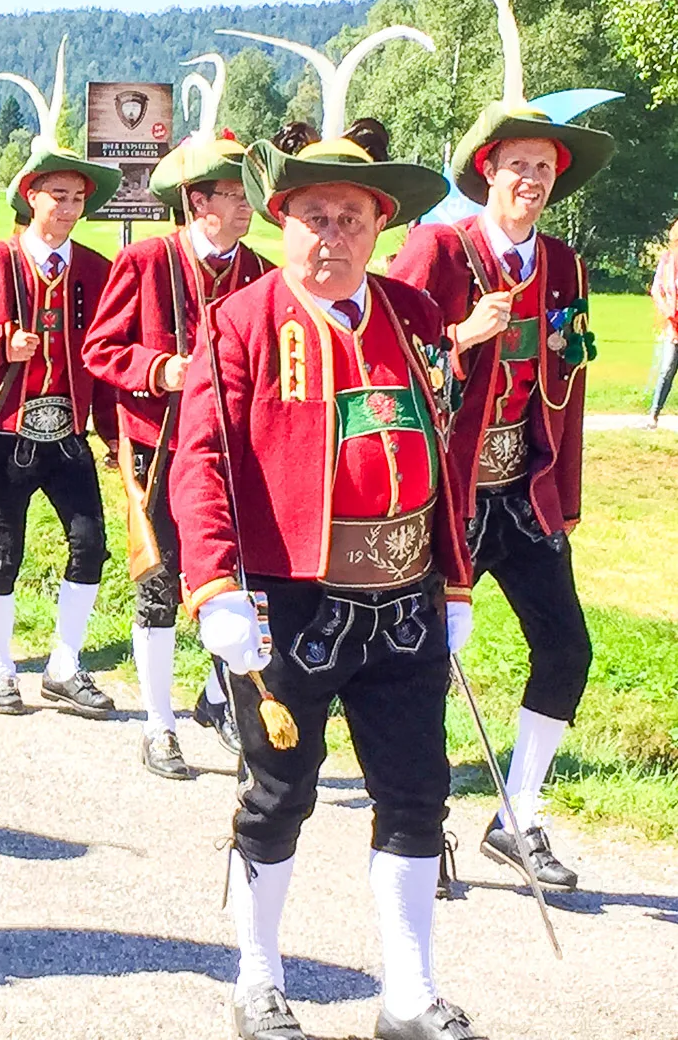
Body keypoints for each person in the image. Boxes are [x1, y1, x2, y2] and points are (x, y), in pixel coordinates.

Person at [175, 109, 484, 1040]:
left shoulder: (413, 313)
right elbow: (200, 462)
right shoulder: (241, 320)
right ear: (282, 222)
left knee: (417, 791)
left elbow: (446, 451)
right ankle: (258, 980)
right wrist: (218, 585)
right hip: (289, 601)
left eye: (351, 216)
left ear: (379, 224)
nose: (333, 235)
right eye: (314, 215)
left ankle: (407, 994)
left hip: (403, 598)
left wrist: (456, 576)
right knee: (278, 793)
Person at [392, 0, 614, 892]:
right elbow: (388, 370)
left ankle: (516, 818)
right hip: (443, 491)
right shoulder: (440, 250)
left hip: (521, 490)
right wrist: (457, 336)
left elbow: (570, 376)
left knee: (567, 648)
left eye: (544, 168)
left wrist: (560, 495)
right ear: (487, 171)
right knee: (426, 662)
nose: (530, 181)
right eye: (516, 165)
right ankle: (417, 824)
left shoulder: (563, 262)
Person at [83, 55, 269, 777]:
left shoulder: (259, 271)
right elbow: (101, 349)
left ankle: (223, 699)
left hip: (235, 453)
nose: (248, 206)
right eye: (234, 193)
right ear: (198, 203)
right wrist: (162, 370)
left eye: (250, 193)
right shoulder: (145, 264)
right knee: (159, 589)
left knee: (238, 583)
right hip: (156, 449)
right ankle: (158, 725)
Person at [0, 38, 121, 718]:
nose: (69, 207)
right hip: (7, 433)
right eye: (57, 195)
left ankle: (65, 666)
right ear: (30, 197)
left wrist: (108, 431)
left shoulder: (97, 270)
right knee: (3, 552)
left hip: (69, 434)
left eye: (77, 197)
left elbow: (104, 353)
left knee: (90, 545)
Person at [647, 220, 678, 426]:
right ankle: (654, 415)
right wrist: (667, 312)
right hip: (673, 325)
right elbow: (656, 289)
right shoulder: (667, 260)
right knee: (667, 369)